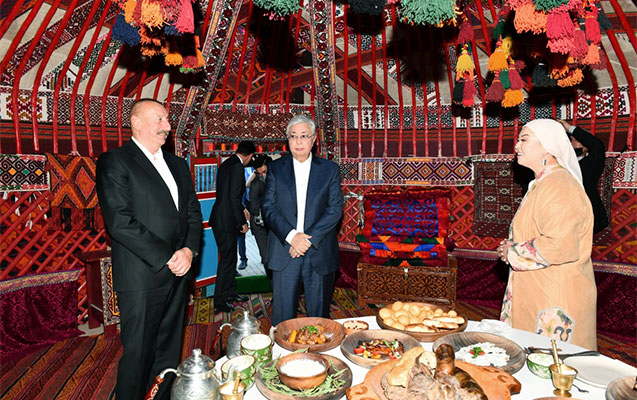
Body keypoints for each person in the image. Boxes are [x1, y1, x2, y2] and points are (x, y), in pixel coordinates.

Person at [96, 98, 202, 400]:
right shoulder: (115, 161)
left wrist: (188, 252)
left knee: (169, 351)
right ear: (136, 122)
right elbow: (120, 222)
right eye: (159, 119)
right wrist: (168, 256)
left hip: (179, 272)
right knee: (139, 353)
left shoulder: (178, 165)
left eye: (167, 120)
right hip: (142, 277)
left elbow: (193, 214)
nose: (167, 127)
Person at [497, 119, 597, 350]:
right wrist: (512, 245)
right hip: (541, 288)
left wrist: (511, 252)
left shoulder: (559, 185)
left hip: (555, 297)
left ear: (548, 146)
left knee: (553, 367)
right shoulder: (543, 184)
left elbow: (560, 245)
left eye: (524, 139)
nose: (517, 146)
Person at [262, 115, 344, 326]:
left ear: (314, 139)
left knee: (319, 320)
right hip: (284, 252)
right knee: (283, 320)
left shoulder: (329, 170)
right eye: (293, 136)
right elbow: (268, 208)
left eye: (304, 136)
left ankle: (319, 357)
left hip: (319, 252)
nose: (298, 142)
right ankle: (284, 357)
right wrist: (292, 237)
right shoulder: (275, 168)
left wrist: (306, 240)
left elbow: (334, 210)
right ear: (287, 140)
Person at [210, 141, 256, 313]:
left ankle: (229, 292)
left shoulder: (227, 163)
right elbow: (234, 198)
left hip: (221, 217)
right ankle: (220, 300)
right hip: (225, 220)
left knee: (231, 259)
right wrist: (242, 223)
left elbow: (227, 194)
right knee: (227, 261)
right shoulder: (237, 167)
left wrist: (242, 210)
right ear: (250, 155)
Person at [558, 120, 609, 233]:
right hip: (564, 213)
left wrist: (570, 128)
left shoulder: (591, 163)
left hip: (586, 210)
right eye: (571, 139)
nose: (573, 142)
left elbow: (596, 145)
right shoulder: (561, 163)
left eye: (578, 140)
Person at [248, 154, 272, 279]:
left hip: (274, 224)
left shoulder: (276, 180)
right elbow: (254, 206)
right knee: (267, 258)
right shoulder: (256, 184)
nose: (262, 175)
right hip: (260, 225)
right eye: (259, 173)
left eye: (264, 172)